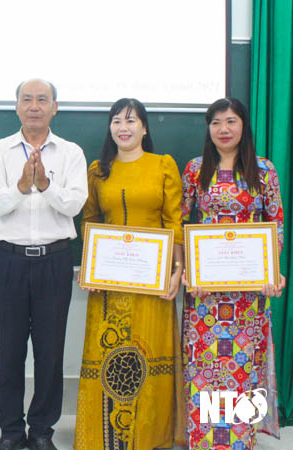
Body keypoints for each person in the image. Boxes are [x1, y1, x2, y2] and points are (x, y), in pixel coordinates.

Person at [0, 79, 87, 450]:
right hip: (9, 260)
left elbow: (74, 206)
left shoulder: (71, 153)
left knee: (50, 350)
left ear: (55, 107)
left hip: (54, 261)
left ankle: (41, 431)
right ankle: (11, 431)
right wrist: (21, 186)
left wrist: (44, 185)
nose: (35, 106)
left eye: (43, 99)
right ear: (16, 106)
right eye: (27, 99)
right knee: (10, 350)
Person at [74, 98, 185, 450]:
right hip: (109, 284)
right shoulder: (97, 170)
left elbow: (175, 222)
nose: (124, 127)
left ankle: (150, 436)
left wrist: (176, 272)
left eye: (131, 120)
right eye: (117, 120)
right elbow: (89, 220)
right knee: (111, 353)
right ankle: (106, 437)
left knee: (150, 353)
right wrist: (88, 268)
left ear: (144, 127)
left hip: (153, 283)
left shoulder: (163, 166)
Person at [181, 97, 285, 450]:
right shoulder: (196, 169)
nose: (223, 129)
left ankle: (240, 441)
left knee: (243, 369)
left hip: (249, 295)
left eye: (231, 121)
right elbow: (183, 224)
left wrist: (275, 272)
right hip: (205, 293)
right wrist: (186, 272)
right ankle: (206, 440)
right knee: (206, 369)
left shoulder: (264, 169)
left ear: (243, 126)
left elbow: (277, 225)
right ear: (208, 129)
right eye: (216, 123)